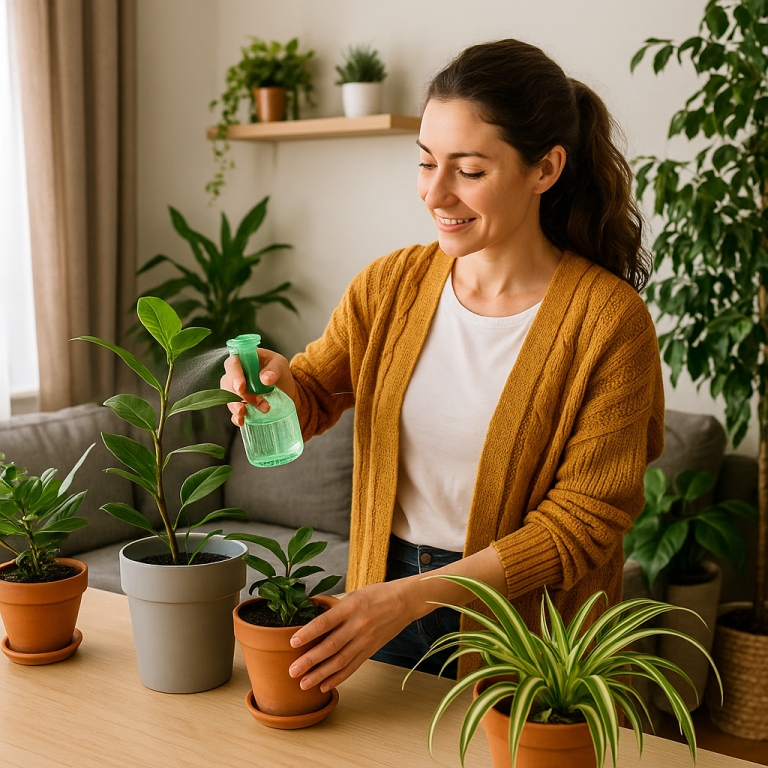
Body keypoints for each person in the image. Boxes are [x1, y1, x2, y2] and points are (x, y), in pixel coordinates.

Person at [221, 39, 664, 695]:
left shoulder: (609, 322)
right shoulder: (389, 285)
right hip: (384, 596)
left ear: (544, 169)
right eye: (426, 161)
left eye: (470, 170)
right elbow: (314, 391)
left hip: (530, 628)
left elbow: (584, 522)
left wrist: (415, 595)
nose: (435, 192)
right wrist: (278, 386)